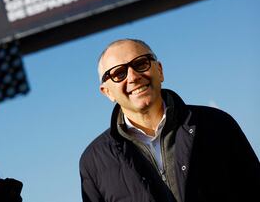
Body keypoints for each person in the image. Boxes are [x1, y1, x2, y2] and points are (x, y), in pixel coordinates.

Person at [79, 39, 260, 202]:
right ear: (107, 91)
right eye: (118, 74)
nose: (133, 77)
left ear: (160, 70)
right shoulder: (92, 162)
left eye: (141, 63)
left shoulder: (216, 124)